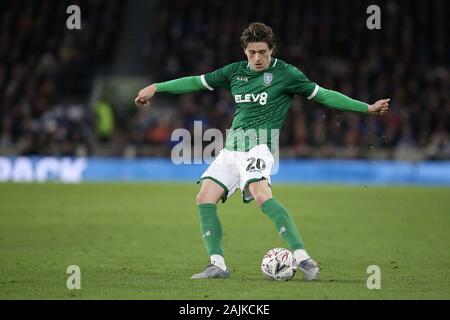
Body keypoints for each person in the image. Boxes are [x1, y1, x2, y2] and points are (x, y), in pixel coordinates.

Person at [135, 22, 389, 280]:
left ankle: (304, 259)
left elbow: (323, 95)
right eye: (252, 52)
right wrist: (157, 87)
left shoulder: (287, 74)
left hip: (259, 146)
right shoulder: (233, 72)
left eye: (263, 52)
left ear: (272, 50)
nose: (257, 58)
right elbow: (195, 82)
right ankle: (218, 264)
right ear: (245, 51)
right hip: (231, 148)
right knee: (204, 197)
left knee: (260, 194)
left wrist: (367, 108)